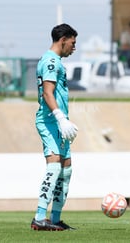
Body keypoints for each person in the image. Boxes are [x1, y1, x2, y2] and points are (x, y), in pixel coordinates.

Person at [31, 23, 79, 231]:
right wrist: (60, 118)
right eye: (73, 42)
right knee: (54, 166)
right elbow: (47, 93)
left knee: (66, 170)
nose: (74, 47)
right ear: (63, 40)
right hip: (50, 121)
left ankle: (55, 218)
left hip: (59, 122)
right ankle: (40, 217)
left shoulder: (55, 61)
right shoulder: (51, 61)